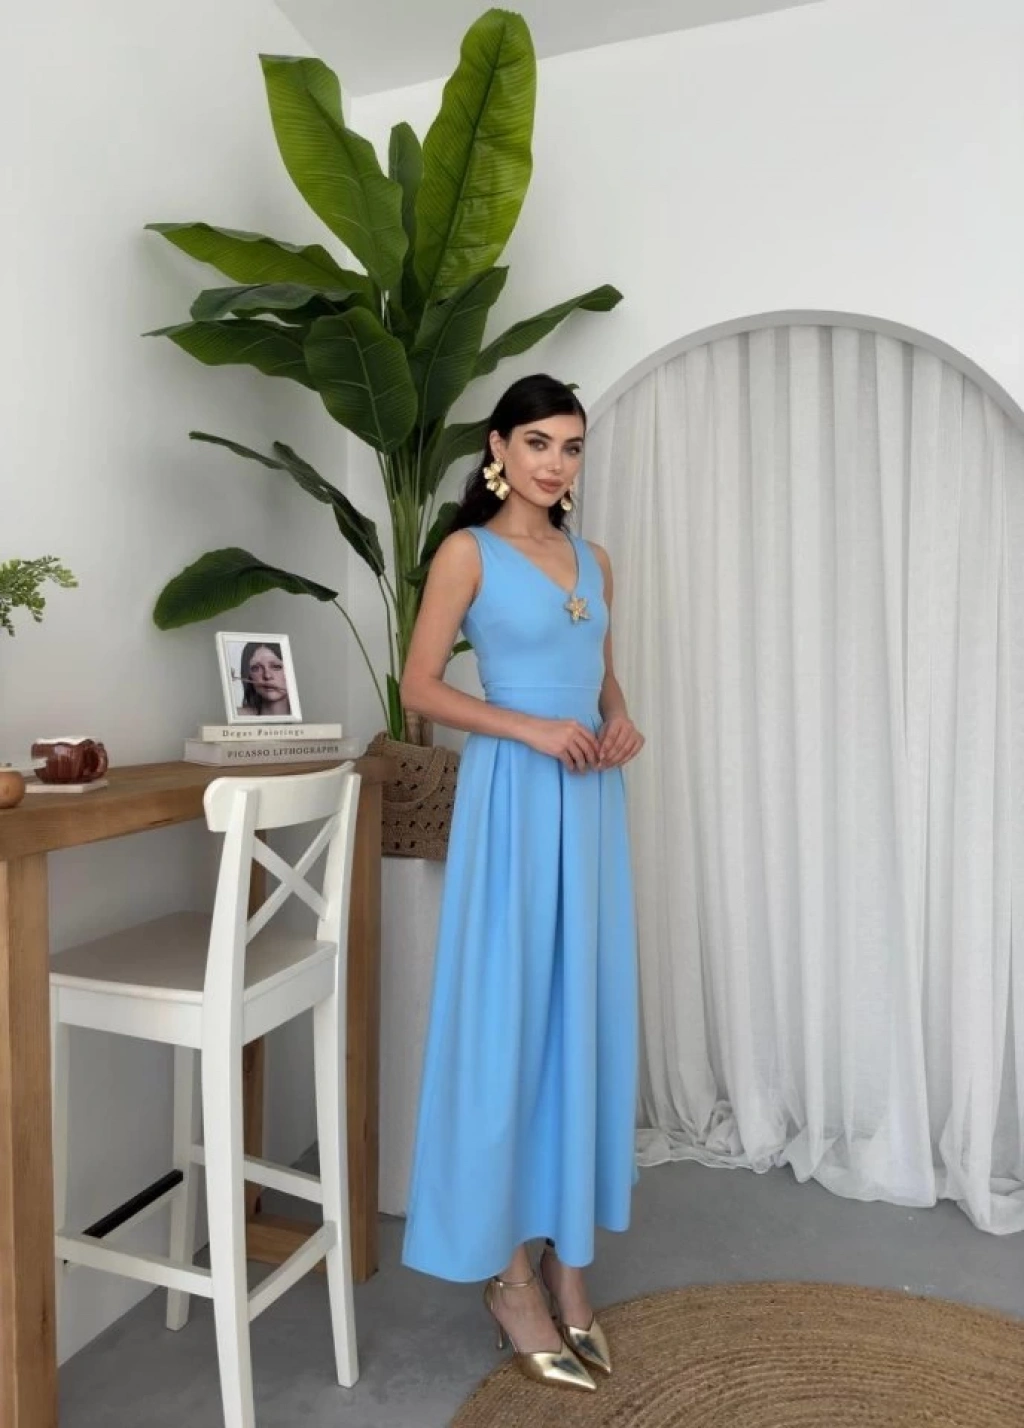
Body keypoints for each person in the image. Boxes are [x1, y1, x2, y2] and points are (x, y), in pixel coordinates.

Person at [400, 373, 645, 1392]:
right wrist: (531, 728)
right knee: (508, 1022)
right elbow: (419, 687)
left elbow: (599, 673)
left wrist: (619, 720)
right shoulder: (468, 552)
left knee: (581, 1017)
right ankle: (508, 1277)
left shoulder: (595, 560)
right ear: (498, 448)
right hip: (511, 801)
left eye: (571, 446)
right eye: (537, 442)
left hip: (589, 805)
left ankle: (567, 1266)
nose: (555, 462)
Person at [235, 641, 291, 717]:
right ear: (249, 675)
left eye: (276, 667)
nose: (267, 676)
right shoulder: (237, 715)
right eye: (256, 668)